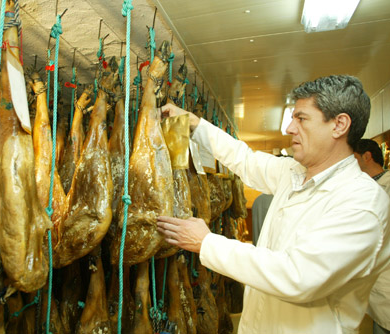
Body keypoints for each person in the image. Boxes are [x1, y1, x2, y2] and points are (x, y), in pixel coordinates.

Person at [157, 75, 390, 333]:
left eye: (301, 118)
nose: (290, 128)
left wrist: (207, 243)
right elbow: (244, 159)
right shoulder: (294, 172)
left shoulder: (361, 201)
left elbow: (298, 277)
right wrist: (195, 124)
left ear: (339, 125)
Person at [354, 138, 390, 334]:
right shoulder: (361, 188)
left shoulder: (386, 186)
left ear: (367, 157)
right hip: (373, 286)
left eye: (354, 158)